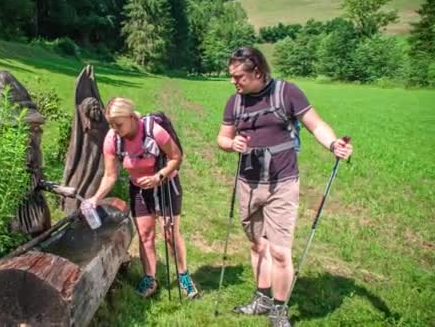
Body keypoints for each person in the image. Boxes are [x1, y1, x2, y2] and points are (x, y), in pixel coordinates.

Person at [217, 47, 353, 327]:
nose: (233, 81)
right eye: (231, 76)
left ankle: (279, 310)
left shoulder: (287, 92)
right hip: (249, 184)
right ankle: (262, 299)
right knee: (257, 245)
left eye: (238, 76)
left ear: (257, 71)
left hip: (282, 184)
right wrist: (232, 144)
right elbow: (222, 137)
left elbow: (316, 125)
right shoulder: (234, 102)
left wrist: (333, 144)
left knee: (280, 251)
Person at [86, 97, 199, 299]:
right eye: (111, 124)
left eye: (118, 124)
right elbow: (110, 175)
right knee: (146, 235)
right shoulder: (112, 139)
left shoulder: (154, 130)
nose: (114, 128)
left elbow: (176, 157)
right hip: (139, 189)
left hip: (165, 185)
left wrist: (158, 176)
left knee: (170, 233)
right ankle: (150, 278)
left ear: (131, 117)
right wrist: (96, 198)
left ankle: (183, 275)